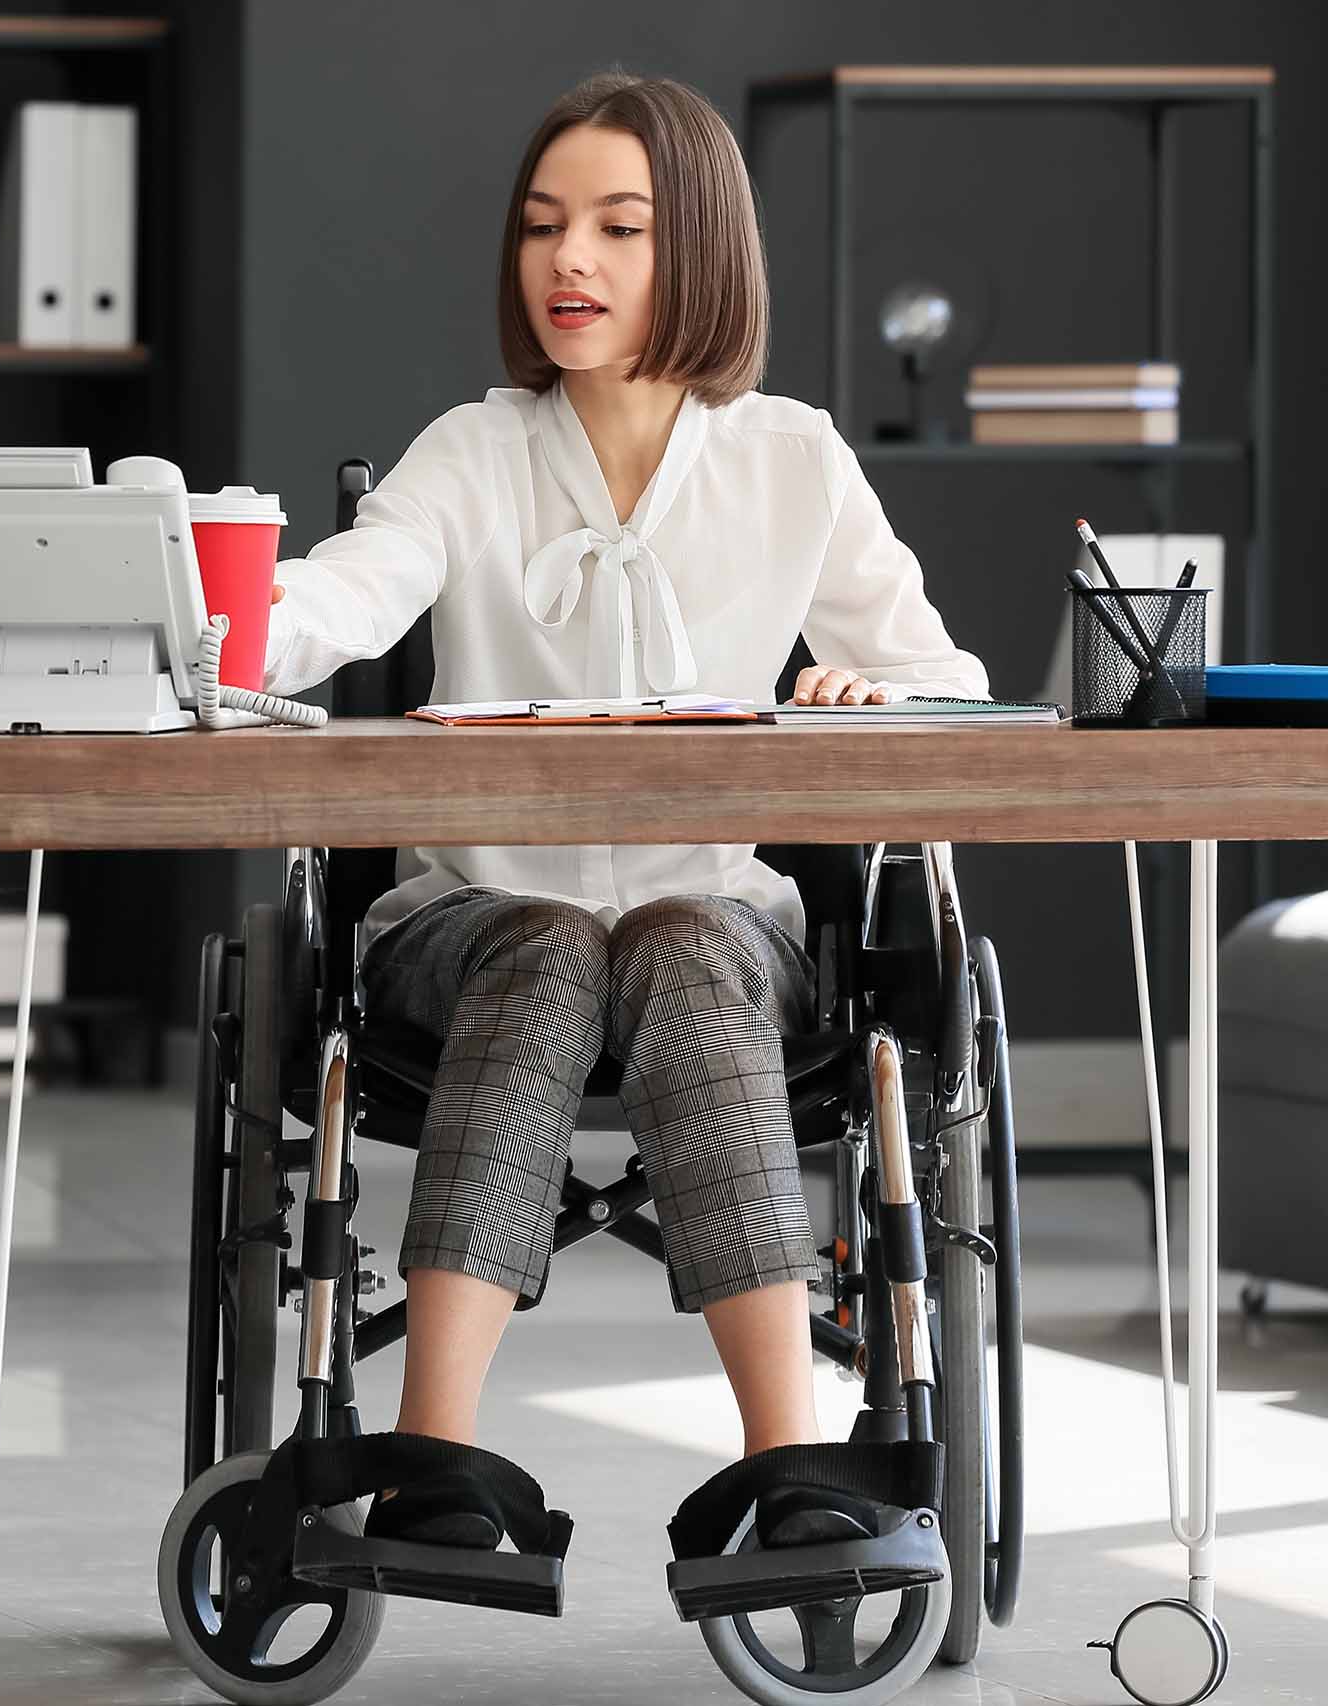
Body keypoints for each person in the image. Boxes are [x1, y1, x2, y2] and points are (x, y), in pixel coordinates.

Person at [261, 70, 988, 1551]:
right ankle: (432, 1455)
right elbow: (333, 603)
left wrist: (873, 690)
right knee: (544, 941)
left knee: (673, 934)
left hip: (709, 938)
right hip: (465, 929)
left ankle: (794, 1465)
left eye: (616, 227)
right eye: (541, 227)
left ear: (701, 250)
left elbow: (953, 680)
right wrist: (203, 612)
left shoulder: (793, 462)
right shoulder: (469, 453)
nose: (566, 262)